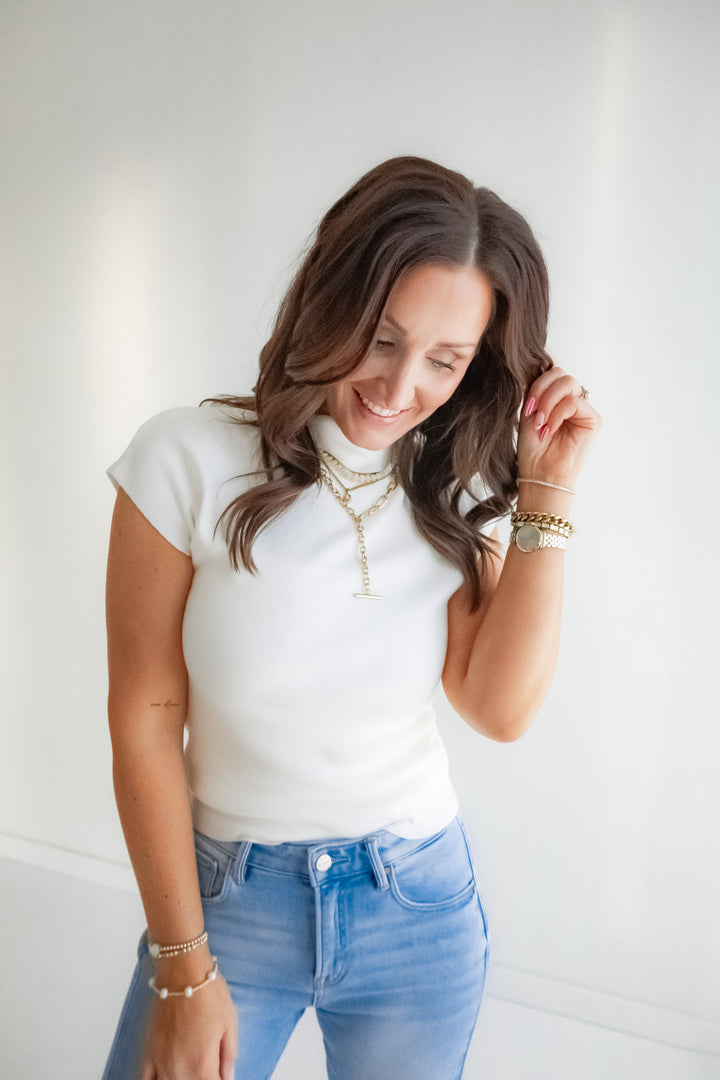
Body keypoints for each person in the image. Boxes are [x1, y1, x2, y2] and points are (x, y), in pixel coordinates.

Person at [102, 155, 601, 1080]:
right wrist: (182, 965)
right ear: (331, 299)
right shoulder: (185, 459)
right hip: (227, 905)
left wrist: (547, 491)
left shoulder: (451, 494)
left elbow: (500, 710)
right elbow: (144, 717)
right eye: (380, 338)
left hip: (416, 910)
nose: (399, 388)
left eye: (445, 361)